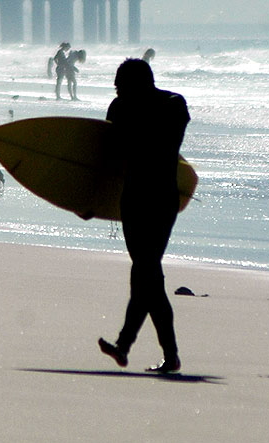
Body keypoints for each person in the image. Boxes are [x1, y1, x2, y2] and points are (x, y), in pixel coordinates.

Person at [98, 58, 190, 374]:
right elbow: (108, 160)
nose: (117, 92)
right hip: (132, 199)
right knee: (146, 274)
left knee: (146, 271)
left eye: (122, 87)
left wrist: (129, 117)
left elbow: (162, 147)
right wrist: (88, 203)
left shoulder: (173, 105)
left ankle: (133, 347)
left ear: (140, 84)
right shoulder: (121, 107)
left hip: (161, 199)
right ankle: (145, 351)